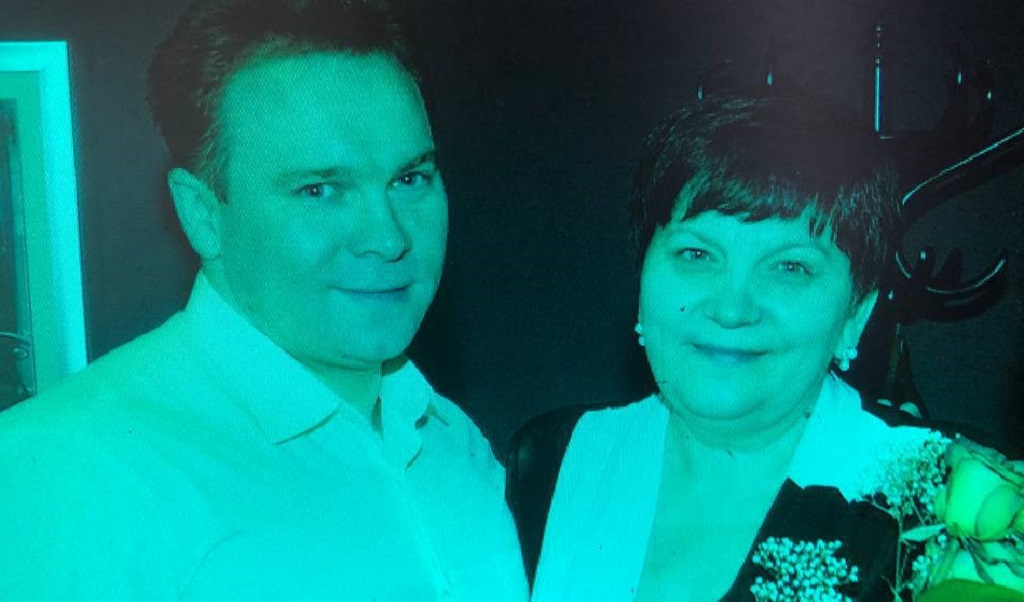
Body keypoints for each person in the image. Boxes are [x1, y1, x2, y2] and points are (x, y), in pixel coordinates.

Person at [0, 0, 528, 599]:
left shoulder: (450, 441)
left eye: (410, 179)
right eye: (320, 190)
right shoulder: (72, 467)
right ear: (202, 215)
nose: (388, 238)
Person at [507, 94, 1024, 601]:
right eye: (696, 254)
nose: (732, 308)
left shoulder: (960, 495)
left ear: (856, 314)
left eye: (790, 267)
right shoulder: (551, 460)